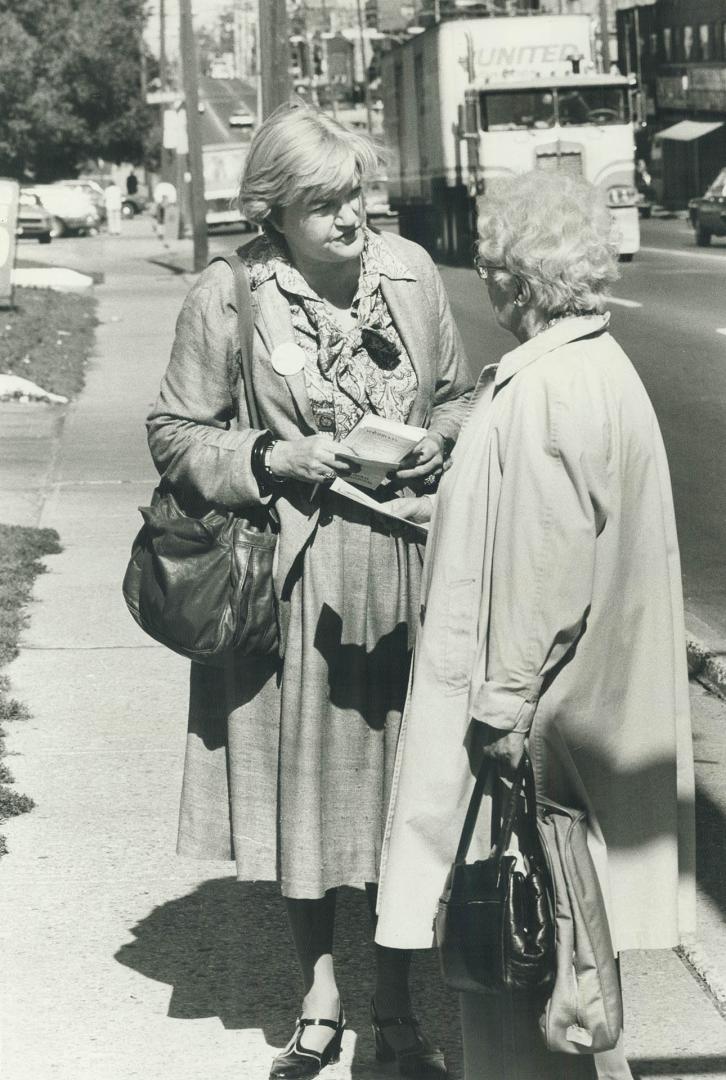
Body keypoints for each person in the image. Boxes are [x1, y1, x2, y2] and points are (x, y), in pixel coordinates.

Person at [146, 101, 473, 1080]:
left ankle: (403, 1009)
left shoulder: (411, 276)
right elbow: (173, 431)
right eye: (324, 204)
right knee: (310, 801)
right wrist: (276, 454)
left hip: (412, 570)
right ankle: (322, 993)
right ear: (274, 212)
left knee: (407, 800)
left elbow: (457, 395)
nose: (349, 220)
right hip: (296, 581)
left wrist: (436, 441)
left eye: (357, 198)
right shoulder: (233, 293)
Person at [375, 171, 696, 1080]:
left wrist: (502, 709)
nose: (483, 281)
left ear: (515, 279)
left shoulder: (549, 388)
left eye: (486, 265)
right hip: (575, 718)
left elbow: (545, 576)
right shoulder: (598, 369)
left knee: (521, 966)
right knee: (565, 958)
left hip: (535, 725)